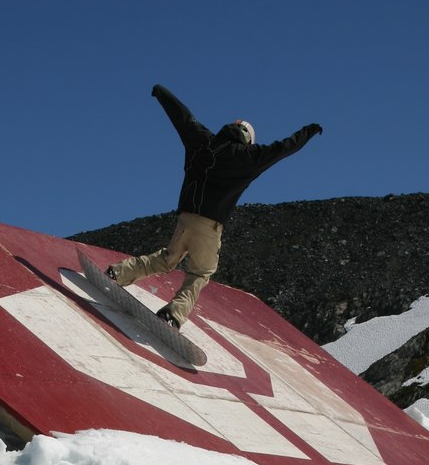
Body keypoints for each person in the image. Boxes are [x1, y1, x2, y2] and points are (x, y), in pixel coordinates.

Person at [106, 84, 322, 330]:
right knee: (199, 274)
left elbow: (183, 117)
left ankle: (118, 273)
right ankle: (172, 314)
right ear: (249, 141)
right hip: (209, 225)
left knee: (167, 259)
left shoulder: (202, 141)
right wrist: (309, 131)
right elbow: (283, 148)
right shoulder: (249, 158)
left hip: (185, 217)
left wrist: (161, 93)